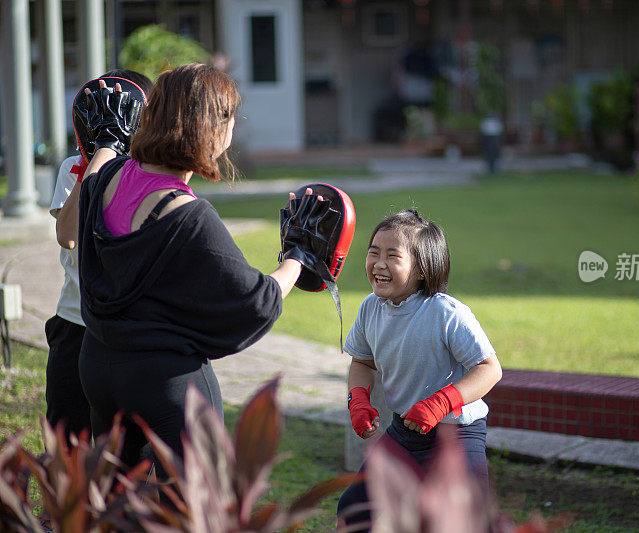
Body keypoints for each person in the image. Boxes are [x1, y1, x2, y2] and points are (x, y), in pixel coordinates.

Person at [75, 63, 307, 475]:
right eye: (232, 118)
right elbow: (256, 300)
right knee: (192, 507)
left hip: (97, 366)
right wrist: (299, 256)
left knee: (112, 504)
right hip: (164, 382)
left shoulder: (104, 176)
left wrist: (106, 144)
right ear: (213, 128)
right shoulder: (190, 216)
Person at [337, 209, 503, 530]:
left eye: (392, 256)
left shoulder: (446, 313)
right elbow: (362, 361)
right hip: (403, 433)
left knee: (466, 520)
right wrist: (357, 399)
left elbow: (489, 369)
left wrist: (440, 403)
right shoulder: (370, 308)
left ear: (422, 270)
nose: (379, 264)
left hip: (457, 435)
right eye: (373, 253)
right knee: (355, 509)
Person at [46, 69, 152, 439]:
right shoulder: (75, 168)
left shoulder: (150, 176)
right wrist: (104, 150)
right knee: (67, 441)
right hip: (74, 323)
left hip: (129, 331)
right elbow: (69, 235)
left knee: (126, 451)